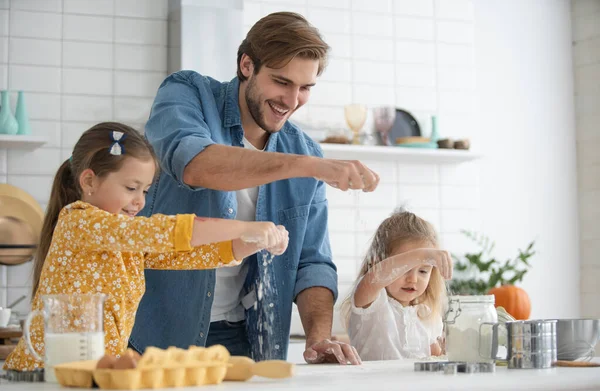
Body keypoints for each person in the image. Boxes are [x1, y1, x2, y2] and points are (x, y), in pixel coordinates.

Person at [129, 12, 380, 365]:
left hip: (244, 341)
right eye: (281, 82)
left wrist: (319, 336)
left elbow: (312, 262)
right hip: (153, 334)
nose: (292, 101)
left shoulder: (306, 151)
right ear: (247, 65)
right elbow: (196, 164)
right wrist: (308, 166)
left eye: (305, 88)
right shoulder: (187, 94)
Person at [3, 122, 288, 371]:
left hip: (86, 373)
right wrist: (244, 226)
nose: (140, 201)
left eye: (146, 190)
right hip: (42, 374)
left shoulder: (123, 238)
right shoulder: (79, 222)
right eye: (131, 188)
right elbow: (165, 232)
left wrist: (251, 243)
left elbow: (187, 255)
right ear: (89, 180)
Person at [340, 209, 453, 361]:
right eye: (404, 269)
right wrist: (423, 255)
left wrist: (447, 352)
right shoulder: (372, 304)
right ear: (377, 262)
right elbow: (376, 277)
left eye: (423, 271)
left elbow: (436, 359)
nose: (413, 279)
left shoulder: (426, 315)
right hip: (373, 384)